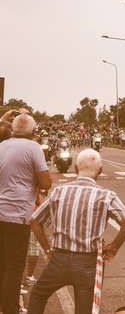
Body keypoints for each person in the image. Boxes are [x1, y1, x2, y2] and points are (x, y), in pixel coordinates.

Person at [28, 149, 125, 313]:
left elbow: (34, 220)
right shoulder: (106, 195)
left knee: (38, 295)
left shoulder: (59, 191)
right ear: (99, 171)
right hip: (88, 261)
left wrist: (47, 249)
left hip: (59, 258)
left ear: (76, 168)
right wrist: (113, 247)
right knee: (84, 309)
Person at [0, 114, 52, 314]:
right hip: (18, 213)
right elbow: (46, 182)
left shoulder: (2, 145)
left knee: (2, 263)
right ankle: (11, 308)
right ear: (33, 132)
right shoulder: (33, 148)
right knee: (14, 265)